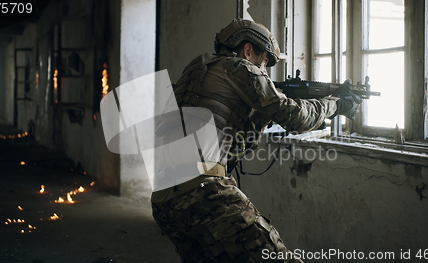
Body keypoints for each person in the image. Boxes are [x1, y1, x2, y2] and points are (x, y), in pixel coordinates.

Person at [151, 19, 360, 263]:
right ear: (247, 50)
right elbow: (295, 116)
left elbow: (233, 145)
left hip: (164, 197)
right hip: (203, 191)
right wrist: (336, 104)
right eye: (263, 63)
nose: (264, 71)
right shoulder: (240, 67)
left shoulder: (197, 69)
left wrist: (258, 117)